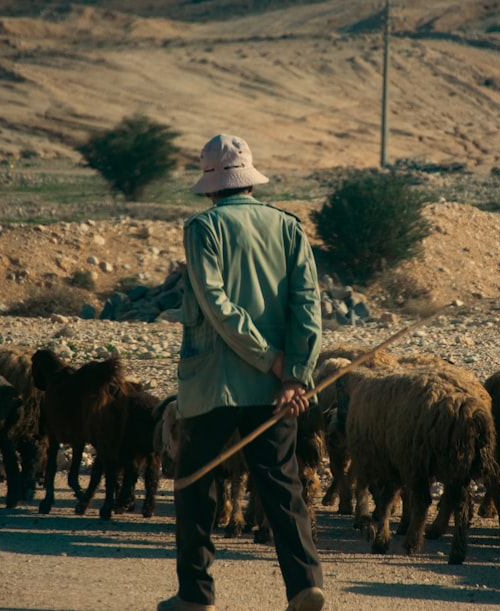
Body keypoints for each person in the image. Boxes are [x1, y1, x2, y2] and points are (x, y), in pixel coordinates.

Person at [158, 134, 325, 611]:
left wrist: (271, 360)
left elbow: (216, 306)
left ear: (211, 184)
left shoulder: (202, 229)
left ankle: (196, 596)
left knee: (195, 487)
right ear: (248, 180)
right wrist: (294, 373)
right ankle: (304, 586)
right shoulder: (288, 227)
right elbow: (307, 305)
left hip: (213, 386)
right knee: (281, 484)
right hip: (275, 389)